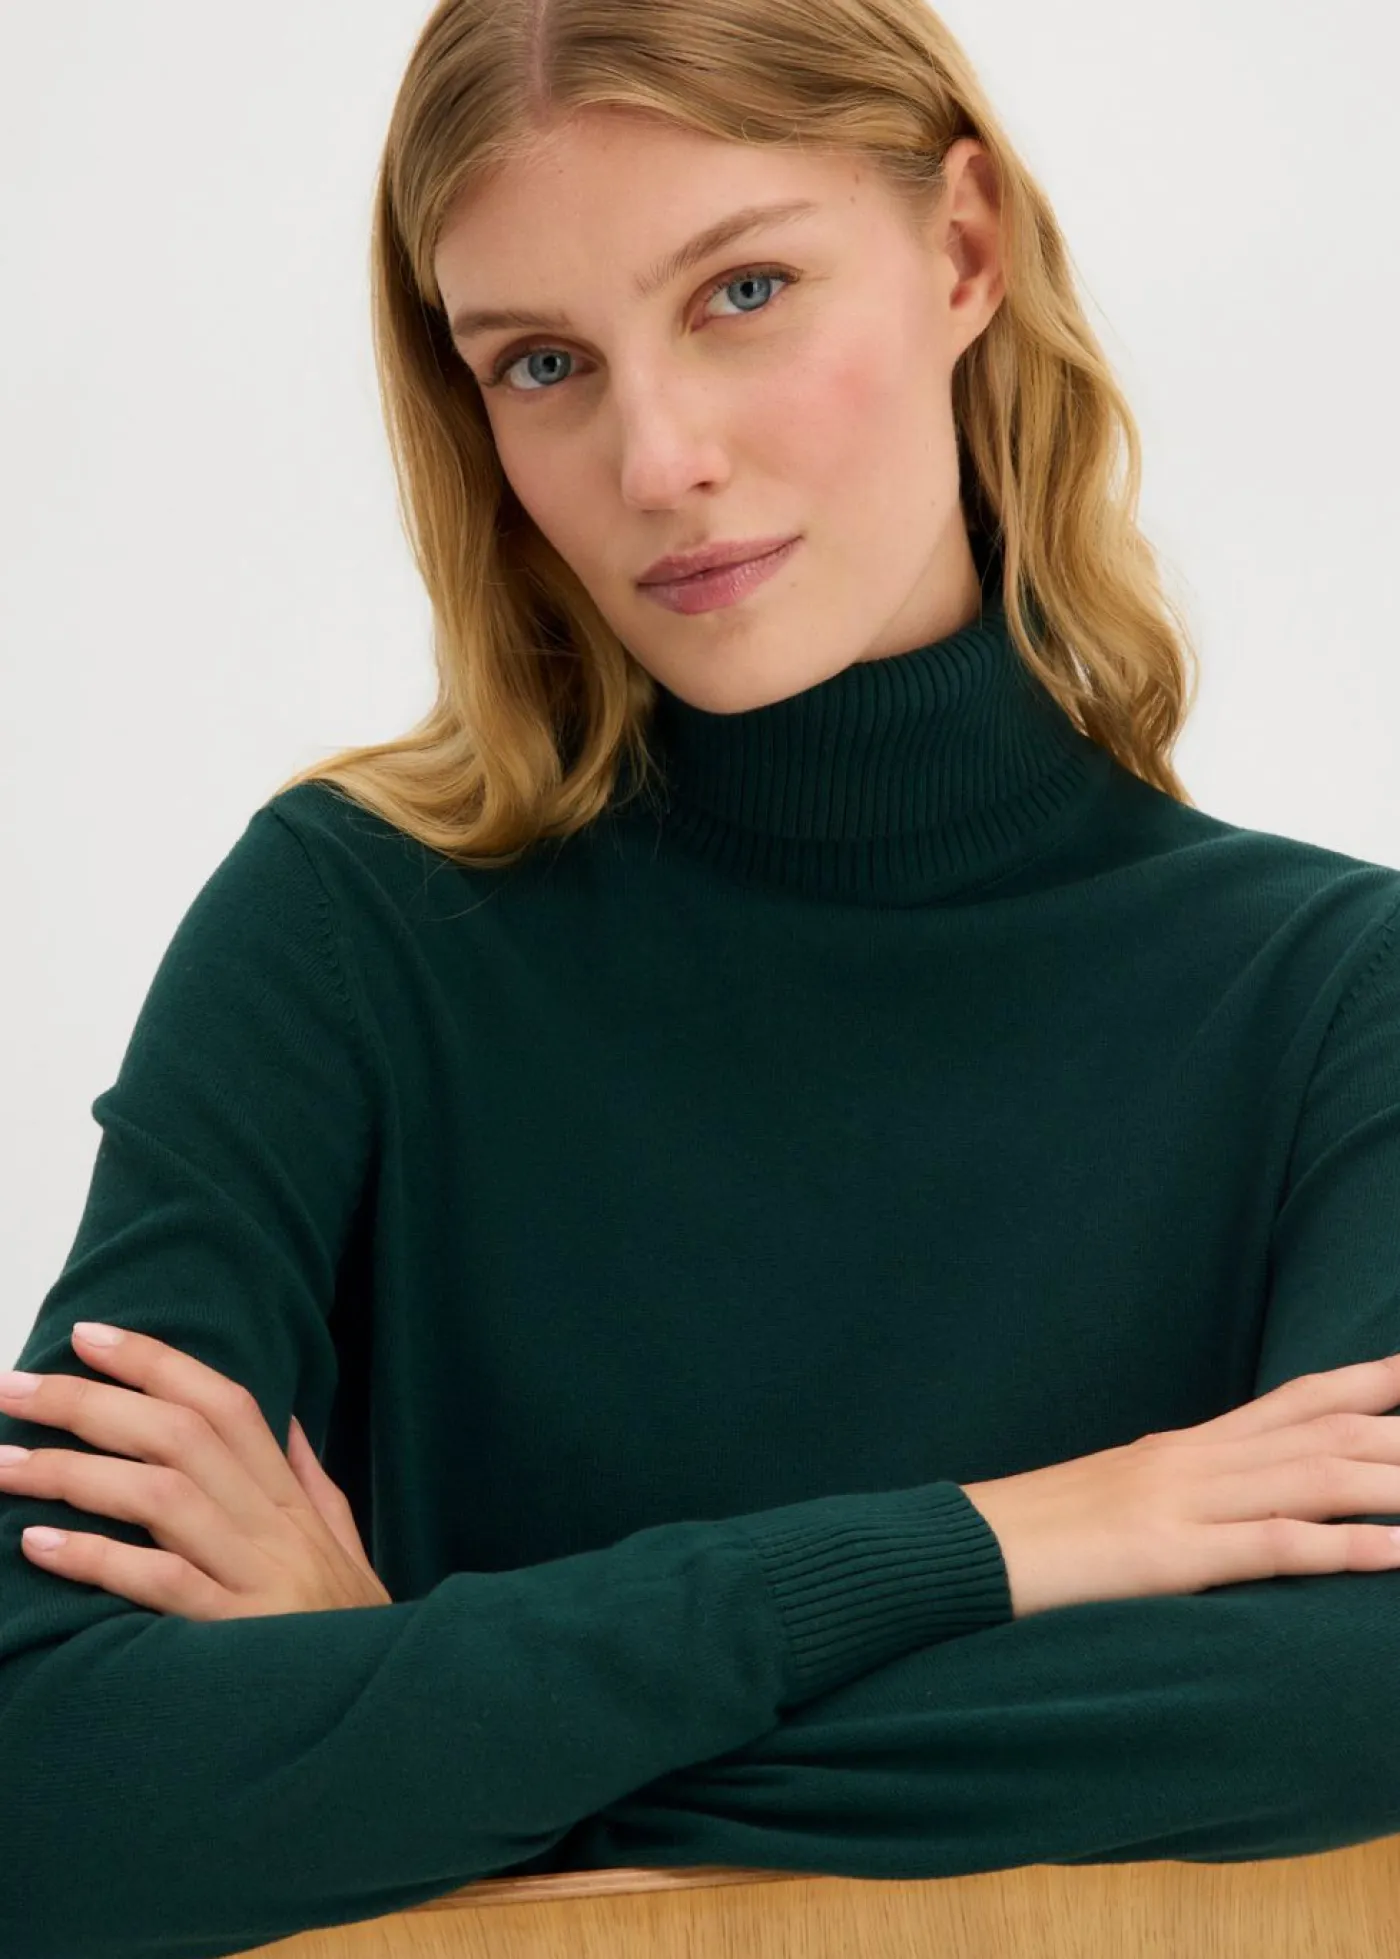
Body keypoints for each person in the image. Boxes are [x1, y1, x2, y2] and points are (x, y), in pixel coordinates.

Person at [3, 4, 1399, 1955]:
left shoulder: (1338, 997)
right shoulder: (348, 931)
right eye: (543, 362)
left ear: (963, 250)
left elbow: (1358, 1698)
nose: (657, 460)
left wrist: (404, 1707)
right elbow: (50, 1785)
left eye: (742, 290)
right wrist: (1006, 1537)